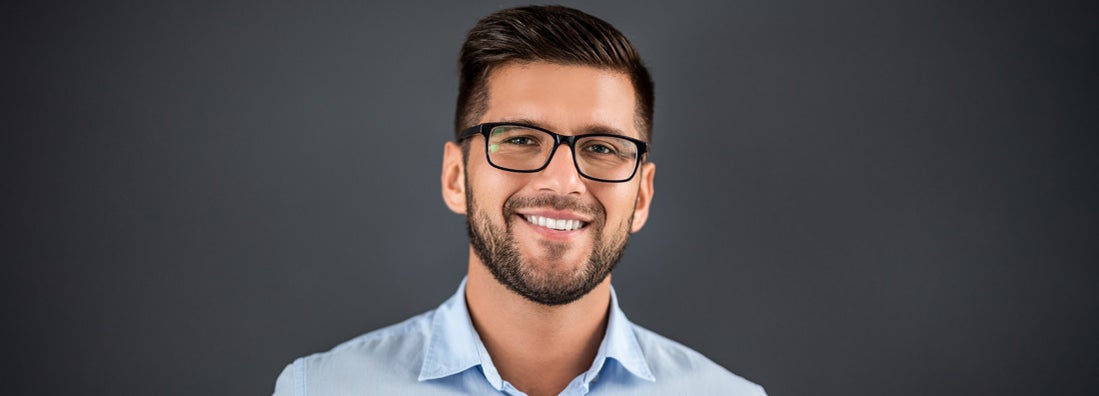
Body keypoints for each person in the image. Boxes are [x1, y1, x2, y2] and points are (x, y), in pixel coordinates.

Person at [273, 5, 765, 396]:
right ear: (454, 177)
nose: (564, 182)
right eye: (521, 139)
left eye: (601, 148)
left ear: (641, 198)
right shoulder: (319, 389)